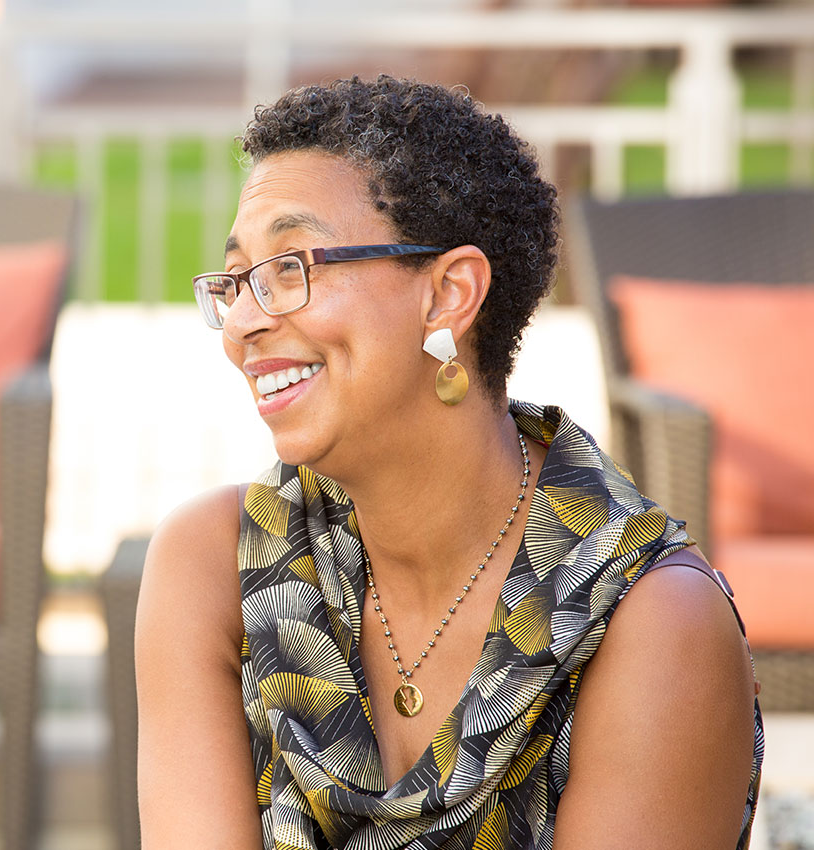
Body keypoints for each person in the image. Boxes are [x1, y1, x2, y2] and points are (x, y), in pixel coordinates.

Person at [135, 76, 762, 850]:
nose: (243, 324)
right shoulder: (217, 567)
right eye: (237, 280)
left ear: (448, 295)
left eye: (292, 265)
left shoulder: (652, 623)